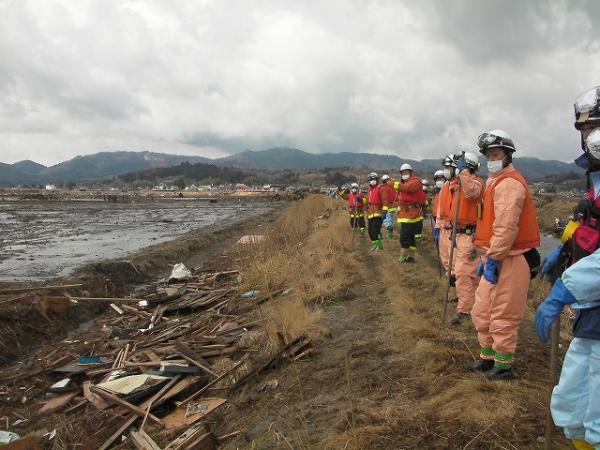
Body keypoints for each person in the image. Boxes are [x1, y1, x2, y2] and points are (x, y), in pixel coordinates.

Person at [535, 86, 600, 450]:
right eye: (587, 129)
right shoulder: (594, 184)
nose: (591, 137)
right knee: (573, 401)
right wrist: (561, 252)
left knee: (597, 414)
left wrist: (566, 287)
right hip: (592, 311)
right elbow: (586, 225)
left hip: (589, 299)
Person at [466, 130, 540, 380]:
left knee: (503, 314)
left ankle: (504, 364)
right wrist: (487, 259)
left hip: (511, 258)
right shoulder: (493, 182)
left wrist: (494, 258)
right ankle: (488, 357)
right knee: (482, 310)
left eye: (495, 153)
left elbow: (506, 227)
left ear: (508, 155)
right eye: (488, 155)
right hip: (493, 257)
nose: (491, 158)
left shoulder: (509, 184)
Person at [448, 152, 484, 326]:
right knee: (469, 274)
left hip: (471, 236)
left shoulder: (475, 182)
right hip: (461, 234)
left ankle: (465, 310)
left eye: (459, 167)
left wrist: (464, 173)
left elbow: (471, 193)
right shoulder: (459, 184)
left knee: (463, 274)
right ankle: (475, 307)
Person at [396, 163, 425, 263]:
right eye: (403, 172)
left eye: (406, 172)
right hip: (406, 213)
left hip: (412, 214)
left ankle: (404, 255)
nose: (405, 174)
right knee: (410, 236)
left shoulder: (415, 182)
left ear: (411, 172)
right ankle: (411, 257)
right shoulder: (403, 184)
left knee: (404, 236)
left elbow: (408, 189)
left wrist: (393, 183)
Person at [366, 172, 384, 251]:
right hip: (370, 213)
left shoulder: (380, 188)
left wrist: (384, 211)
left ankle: (379, 245)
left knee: (375, 230)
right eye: (371, 180)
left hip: (378, 212)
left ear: (377, 180)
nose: (372, 181)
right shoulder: (369, 190)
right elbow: (367, 200)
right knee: (370, 231)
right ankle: (374, 244)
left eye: (374, 179)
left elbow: (385, 200)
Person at [381, 174, 398, 239]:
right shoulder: (393, 187)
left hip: (388, 207)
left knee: (387, 220)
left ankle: (389, 234)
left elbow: (385, 199)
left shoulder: (384, 188)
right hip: (393, 207)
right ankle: (390, 233)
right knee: (390, 220)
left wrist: (384, 209)